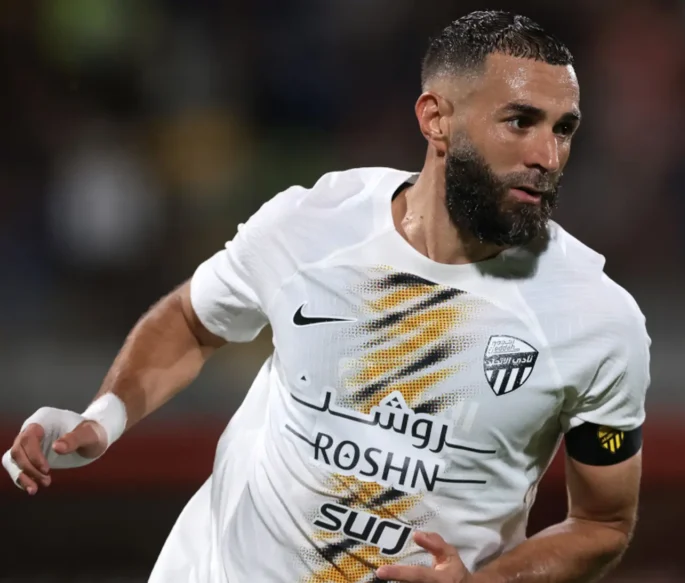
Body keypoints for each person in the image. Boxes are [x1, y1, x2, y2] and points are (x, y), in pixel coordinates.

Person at [3, 10, 650, 583]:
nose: (548, 155)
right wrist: (104, 418)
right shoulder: (312, 225)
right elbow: (193, 322)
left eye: (564, 128)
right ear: (436, 119)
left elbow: (601, 523)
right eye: (520, 121)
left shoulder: (597, 320)